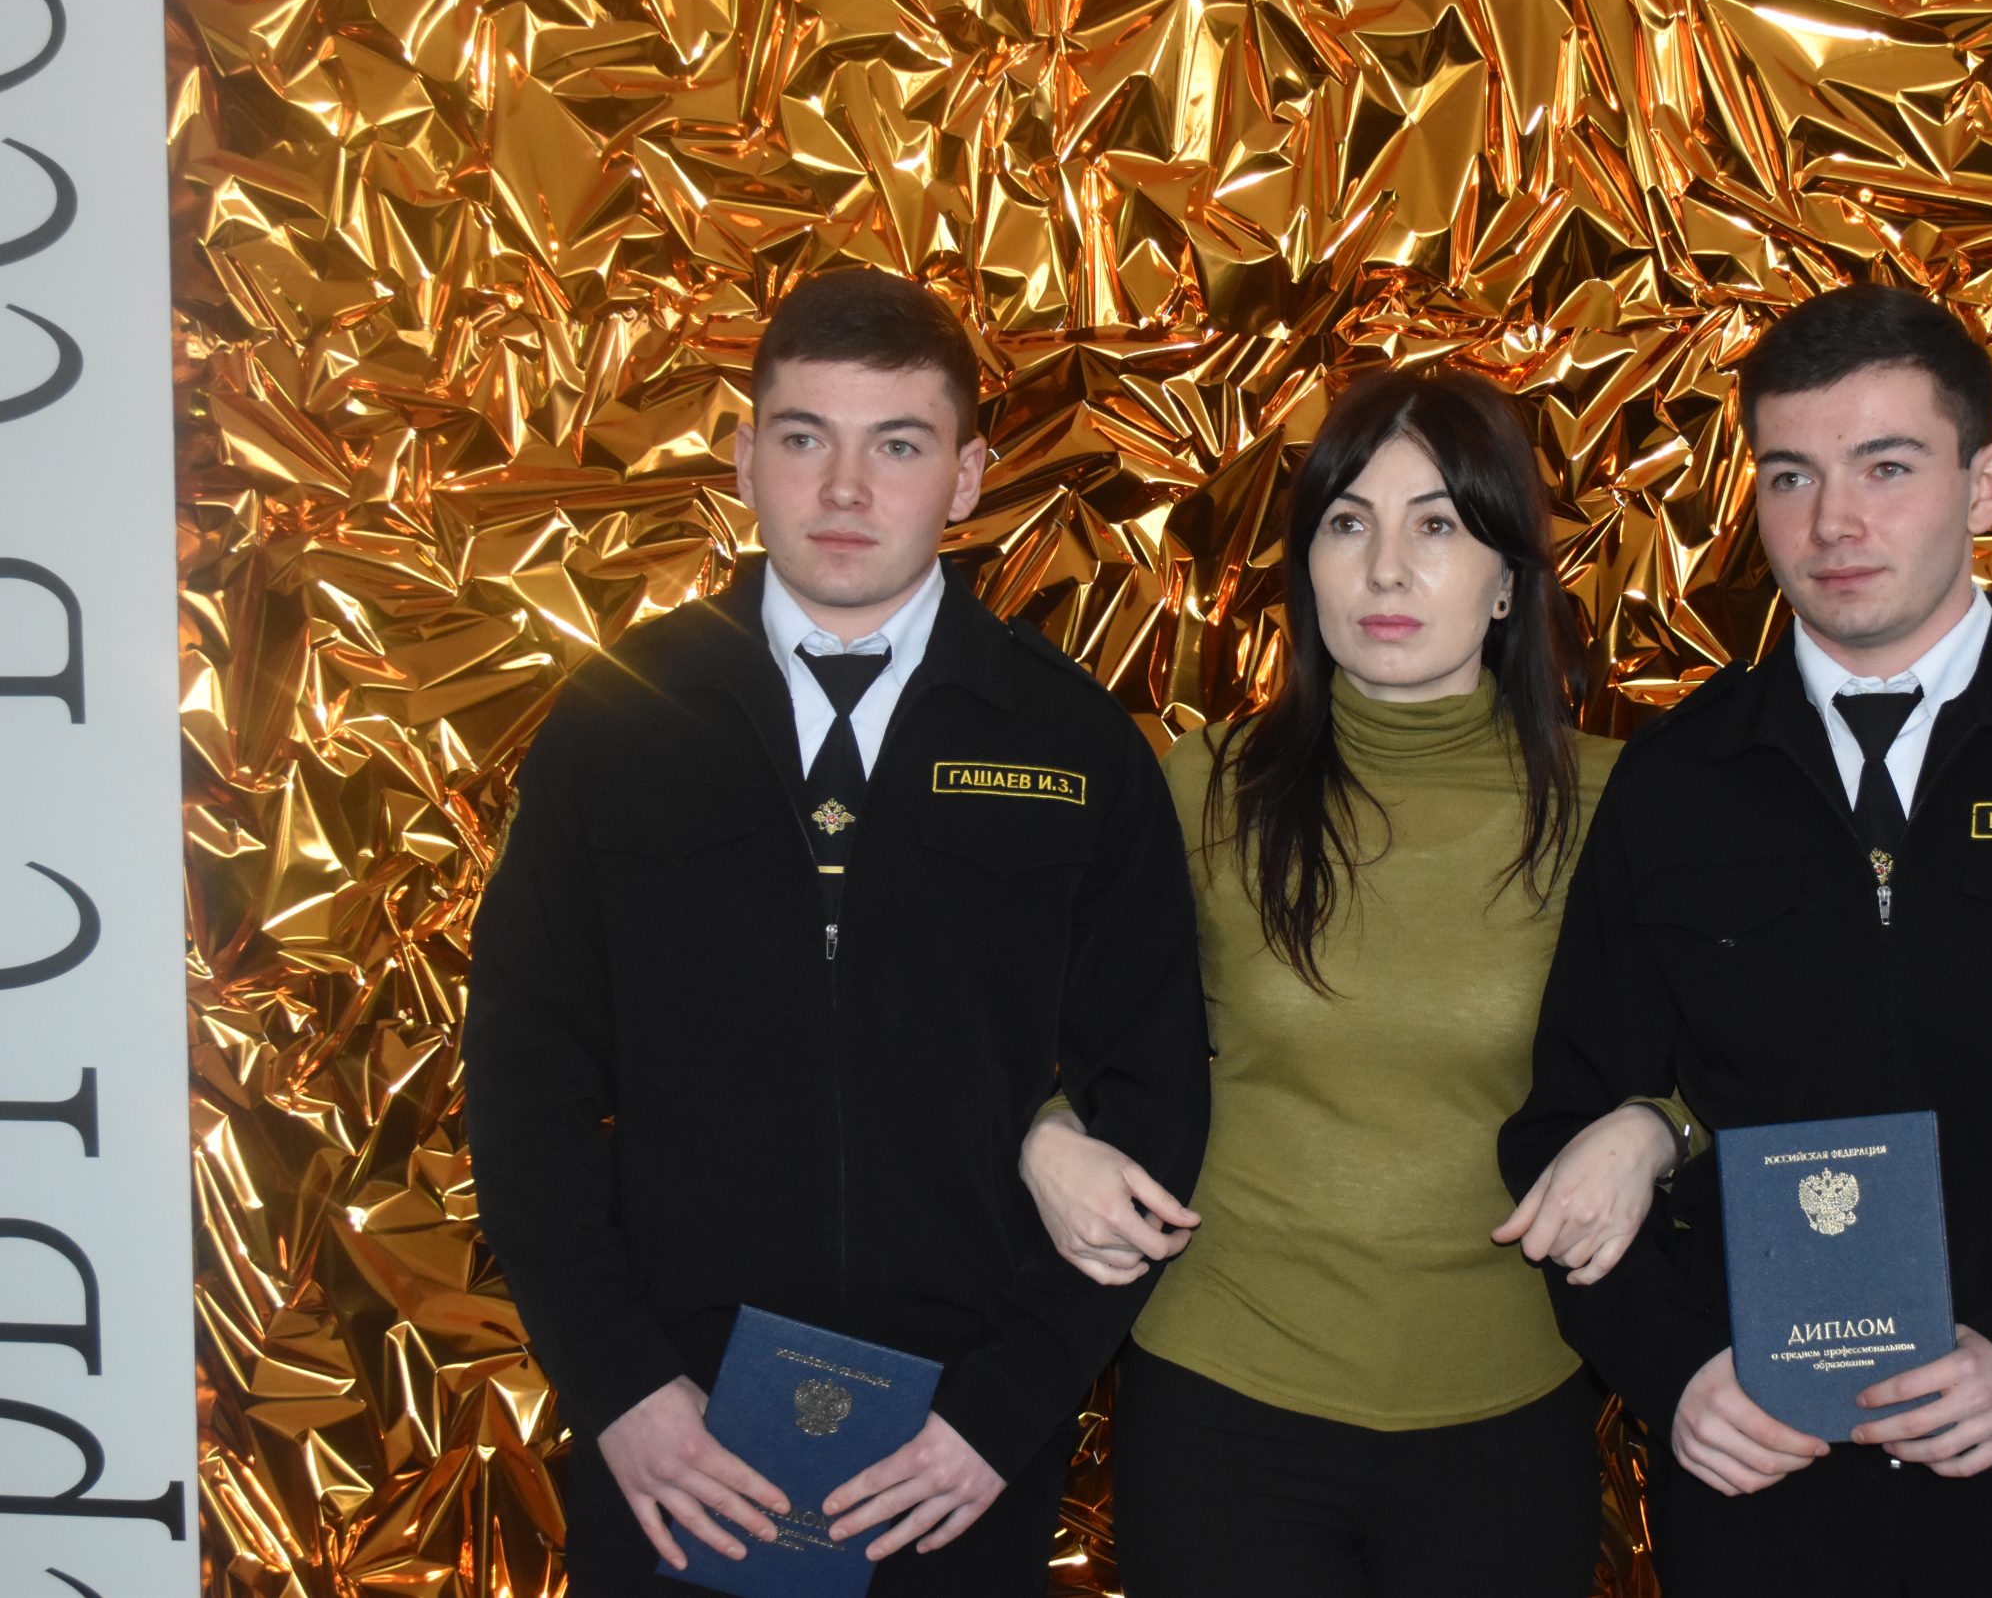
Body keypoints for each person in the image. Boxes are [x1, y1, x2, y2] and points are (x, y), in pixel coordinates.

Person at [1499, 283, 1992, 1596]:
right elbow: (1562, 1129)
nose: (1834, 522)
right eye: (1791, 475)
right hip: (1759, 1512)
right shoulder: (1677, 782)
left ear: (1986, 483)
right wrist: (1676, 1369)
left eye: (1887, 466)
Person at [462, 267, 1210, 1597]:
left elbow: (1155, 1095)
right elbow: (524, 1083)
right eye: (806, 437)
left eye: (899, 445)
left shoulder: (1071, 742)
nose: (847, 488)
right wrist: (621, 1385)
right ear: (745, 457)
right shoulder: (618, 722)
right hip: (677, 1445)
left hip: (952, 1461)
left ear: (967, 476)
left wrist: (1003, 1412)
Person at [1017, 365, 1694, 1597]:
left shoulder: (1618, 804)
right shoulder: (1205, 783)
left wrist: (1657, 1129)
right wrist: (1042, 1131)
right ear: (1306, 567)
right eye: (1347, 524)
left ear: (1508, 580)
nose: (1385, 570)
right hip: (1222, 1400)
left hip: (1504, 1410)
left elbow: (1750, 1057)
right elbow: (1029, 1015)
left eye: (1435, 526)